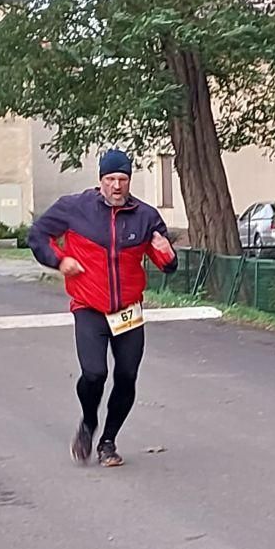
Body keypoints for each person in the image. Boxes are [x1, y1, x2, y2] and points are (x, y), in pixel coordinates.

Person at [28, 149, 178, 467]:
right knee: (94, 373)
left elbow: (166, 265)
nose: (116, 186)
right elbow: (38, 235)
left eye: (122, 179)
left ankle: (108, 442)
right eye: (110, 179)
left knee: (126, 377)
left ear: (129, 181)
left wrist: (167, 254)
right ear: (100, 181)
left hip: (127, 311)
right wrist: (59, 260)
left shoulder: (146, 216)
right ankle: (88, 422)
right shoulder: (74, 208)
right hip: (89, 306)